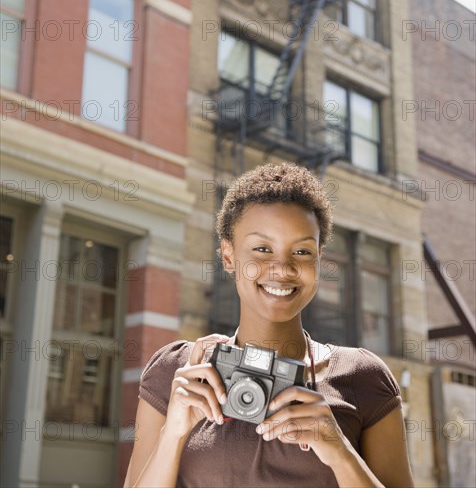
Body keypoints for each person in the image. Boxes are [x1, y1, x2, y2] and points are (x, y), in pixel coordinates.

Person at [124, 163, 414, 487]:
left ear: (319, 259)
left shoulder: (363, 377)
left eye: (302, 251)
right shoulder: (177, 372)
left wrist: (339, 452)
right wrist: (172, 434)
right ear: (229, 256)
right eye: (262, 249)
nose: (282, 268)